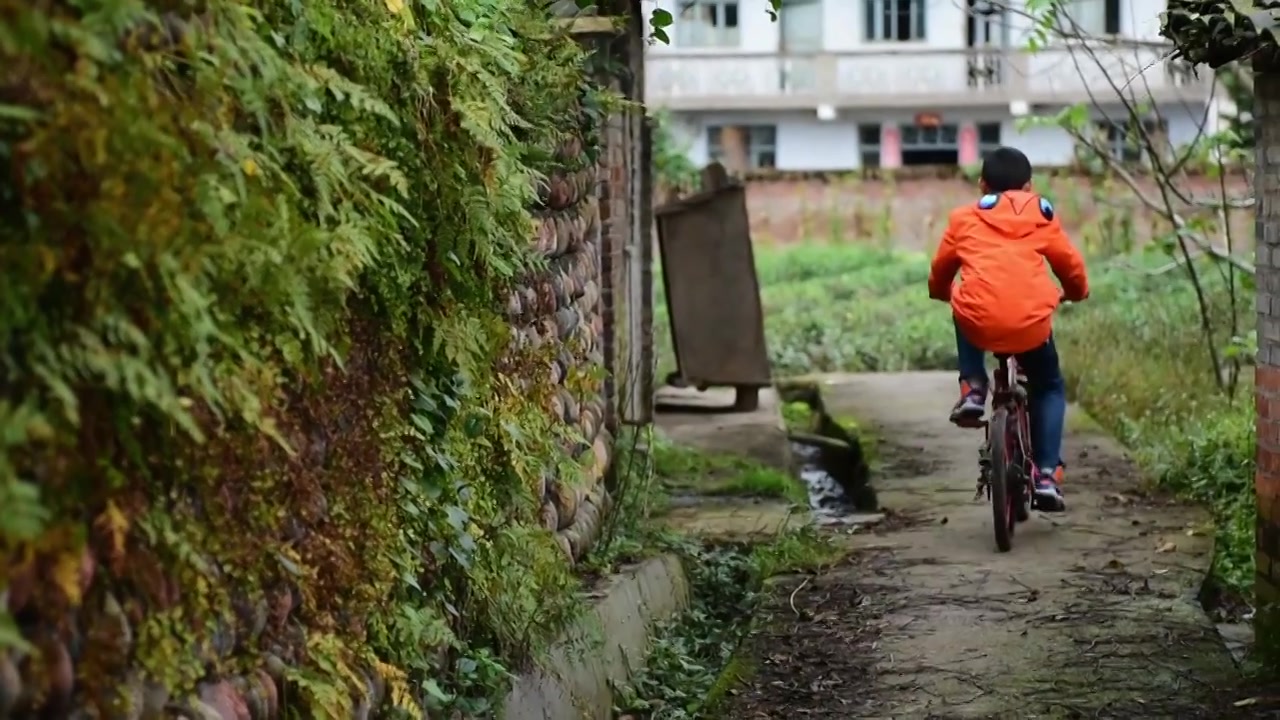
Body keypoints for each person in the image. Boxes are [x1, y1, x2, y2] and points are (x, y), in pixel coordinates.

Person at [926, 147, 1089, 512]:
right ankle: (1046, 475)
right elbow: (1071, 268)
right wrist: (1076, 293)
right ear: (1029, 186)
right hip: (1031, 326)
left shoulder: (963, 218)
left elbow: (941, 271)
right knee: (1048, 386)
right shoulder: (1042, 217)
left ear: (982, 184)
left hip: (979, 323)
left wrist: (940, 293)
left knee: (961, 300)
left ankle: (972, 387)